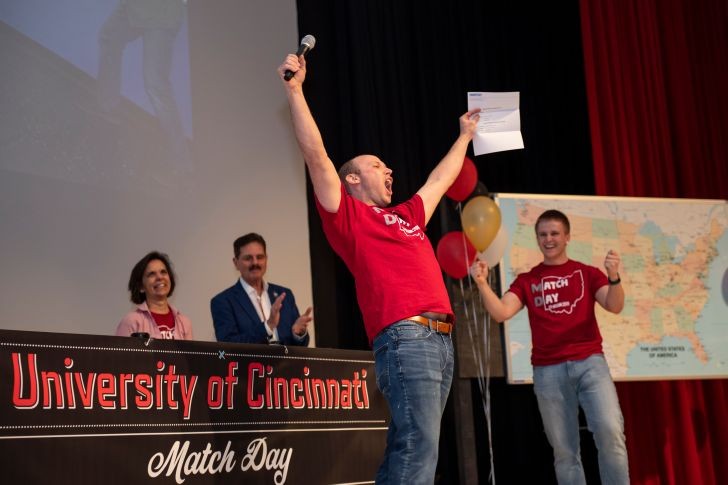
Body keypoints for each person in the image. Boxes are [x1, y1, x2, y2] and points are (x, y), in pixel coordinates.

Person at [278, 53, 479, 484]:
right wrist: (295, 91)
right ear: (352, 180)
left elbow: (440, 181)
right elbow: (316, 156)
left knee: (411, 448)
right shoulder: (347, 217)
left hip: (441, 340)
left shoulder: (407, 216)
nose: (389, 170)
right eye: (377, 165)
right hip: (407, 336)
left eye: (387, 165)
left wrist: (464, 137)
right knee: (418, 448)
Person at [472, 209, 629, 485]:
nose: (549, 239)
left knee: (610, 431)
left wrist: (613, 276)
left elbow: (614, 305)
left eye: (555, 233)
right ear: (537, 238)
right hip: (548, 371)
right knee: (565, 452)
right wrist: (482, 283)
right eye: (543, 234)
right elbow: (501, 312)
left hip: (590, 364)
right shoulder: (527, 280)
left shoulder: (587, 273)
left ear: (567, 237)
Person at [210, 233, 311, 346]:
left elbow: (300, 346)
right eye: (248, 258)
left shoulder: (284, 295)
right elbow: (228, 345)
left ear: (266, 259)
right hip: (249, 364)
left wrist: (298, 334)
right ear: (236, 263)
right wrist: (267, 327)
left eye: (260, 257)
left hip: (286, 364)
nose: (255, 263)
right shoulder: (223, 302)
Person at [116, 250, 193, 339]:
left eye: (163, 272)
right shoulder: (131, 321)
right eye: (151, 274)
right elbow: (120, 353)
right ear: (141, 286)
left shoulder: (184, 322)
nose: (160, 277)